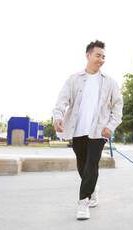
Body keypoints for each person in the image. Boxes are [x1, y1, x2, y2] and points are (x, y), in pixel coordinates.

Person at [53, 40, 123, 220]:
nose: (101, 59)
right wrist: (58, 117)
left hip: (99, 131)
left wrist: (111, 126)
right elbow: (62, 100)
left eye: (104, 57)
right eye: (98, 55)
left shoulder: (110, 82)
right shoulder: (74, 79)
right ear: (88, 55)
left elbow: (118, 106)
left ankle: (83, 203)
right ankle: (92, 189)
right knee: (82, 164)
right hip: (78, 130)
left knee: (92, 163)